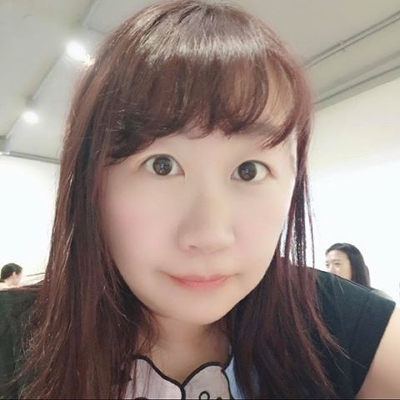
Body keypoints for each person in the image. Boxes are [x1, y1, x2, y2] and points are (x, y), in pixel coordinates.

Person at [0, 1, 399, 398]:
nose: (209, 235)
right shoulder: (13, 339)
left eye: (249, 170)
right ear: (91, 182)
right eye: (161, 166)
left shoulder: (346, 327)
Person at [326, 242, 393, 299]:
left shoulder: (378, 297)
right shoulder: (328, 299)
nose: (330, 270)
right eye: (327, 265)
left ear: (354, 266)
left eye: (337, 264)